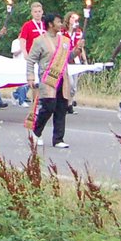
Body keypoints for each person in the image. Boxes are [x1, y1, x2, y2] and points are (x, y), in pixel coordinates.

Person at [27, 14, 74, 148]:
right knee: (49, 106)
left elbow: (68, 57)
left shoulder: (64, 40)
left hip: (62, 78)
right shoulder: (39, 41)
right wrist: (30, 76)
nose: (61, 24)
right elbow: (31, 60)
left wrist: (76, 50)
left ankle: (58, 139)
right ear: (50, 24)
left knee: (61, 107)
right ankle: (36, 131)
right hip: (48, 79)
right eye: (58, 22)